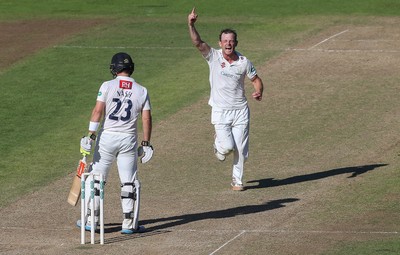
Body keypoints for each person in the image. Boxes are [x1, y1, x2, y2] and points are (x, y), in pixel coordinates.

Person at [188, 8, 264, 191]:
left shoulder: (244, 61)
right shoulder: (213, 56)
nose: (228, 44)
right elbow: (198, 43)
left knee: (240, 149)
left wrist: (259, 91)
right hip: (221, 110)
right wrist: (191, 24)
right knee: (227, 148)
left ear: (236, 43)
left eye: (231, 41)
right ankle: (218, 144)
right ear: (220, 43)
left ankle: (237, 181)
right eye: (225, 41)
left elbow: (256, 80)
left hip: (240, 110)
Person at [78, 52, 154, 234]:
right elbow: (146, 118)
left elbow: (98, 111)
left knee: (96, 179)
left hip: (106, 138)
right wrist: (146, 143)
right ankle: (128, 223)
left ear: (114, 68)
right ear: (131, 68)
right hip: (128, 139)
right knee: (128, 181)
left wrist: (90, 135)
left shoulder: (107, 85)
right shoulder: (141, 90)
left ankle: (91, 220)